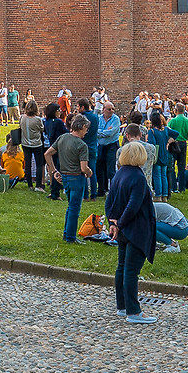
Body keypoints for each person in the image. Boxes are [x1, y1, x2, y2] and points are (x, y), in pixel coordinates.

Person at [102, 141, 159, 324]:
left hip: (123, 229)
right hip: (136, 228)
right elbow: (133, 206)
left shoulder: (119, 174)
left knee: (122, 267)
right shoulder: (138, 177)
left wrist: (112, 221)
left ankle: (122, 305)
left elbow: (109, 201)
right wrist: (120, 223)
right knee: (131, 270)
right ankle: (133, 311)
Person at [53, 109, 93, 241]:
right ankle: (70, 237)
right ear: (82, 127)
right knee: (75, 208)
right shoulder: (82, 145)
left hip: (65, 176)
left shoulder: (63, 138)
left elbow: (47, 153)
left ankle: (67, 234)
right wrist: (89, 172)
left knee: (70, 206)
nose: (86, 132)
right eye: (86, 129)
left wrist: (53, 171)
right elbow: (83, 167)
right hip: (77, 177)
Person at [20, 102, 47, 189]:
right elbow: (42, 129)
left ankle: (29, 185)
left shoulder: (22, 118)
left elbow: (20, 127)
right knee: (39, 164)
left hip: (25, 143)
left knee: (28, 164)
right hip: (36, 143)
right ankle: (38, 185)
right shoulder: (38, 119)